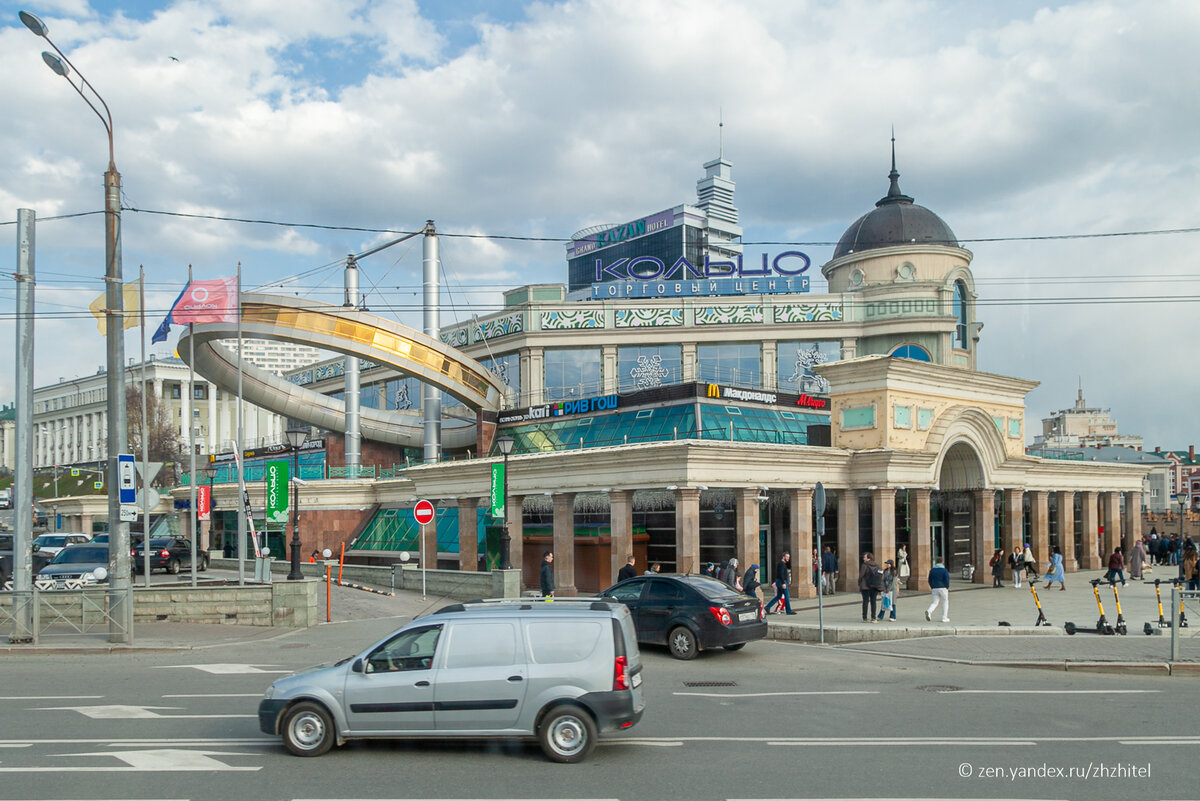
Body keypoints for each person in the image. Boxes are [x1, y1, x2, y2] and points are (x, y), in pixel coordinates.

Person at [858, 551, 882, 623]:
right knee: (873, 602)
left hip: (865, 586)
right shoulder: (877, 565)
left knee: (865, 602)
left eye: (864, 557)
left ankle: (865, 618)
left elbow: (861, 575)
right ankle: (873, 618)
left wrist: (860, 583)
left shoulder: (864, 565)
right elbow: (880, 575)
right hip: (874, 586)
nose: (863, 558)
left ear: (868, 558)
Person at [925, 557, 951, 623]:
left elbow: (929, 580)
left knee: (935, 602)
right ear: (942, 562)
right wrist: (947, 586)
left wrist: (932, 586)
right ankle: (944, 617)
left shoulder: (932, 570)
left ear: (936, 562)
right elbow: (947, 580)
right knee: (945, 602)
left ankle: (929, 611)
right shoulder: (944, 570)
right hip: (943, 588)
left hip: (934, 588)